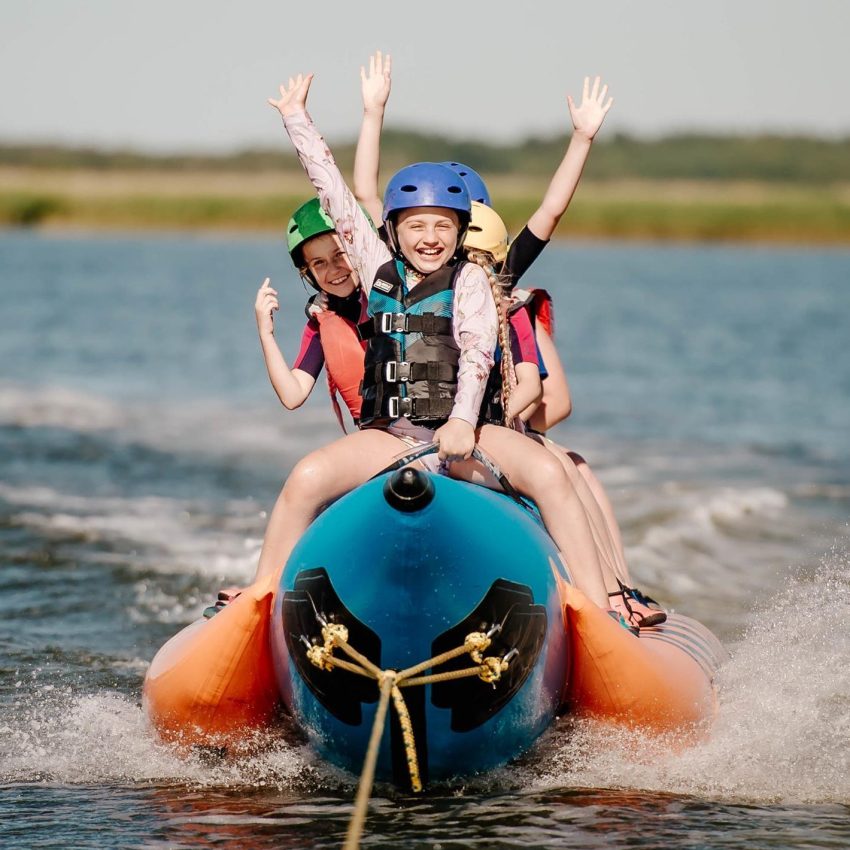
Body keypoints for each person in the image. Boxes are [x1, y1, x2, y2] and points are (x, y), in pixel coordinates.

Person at [258, 72, 626, 622]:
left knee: (551, 475)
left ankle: (599, 613)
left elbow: (476, 354)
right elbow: (334, 191)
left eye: (442, 226)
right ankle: (258, 602)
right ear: (392, 230)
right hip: (392, 438)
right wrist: (296, 119)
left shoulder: (473, 280)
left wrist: (461, 422)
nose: (429, 237)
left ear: (459, 229)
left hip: (469, 435)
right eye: (416, 226)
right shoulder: (375, 269)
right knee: (306, 478)